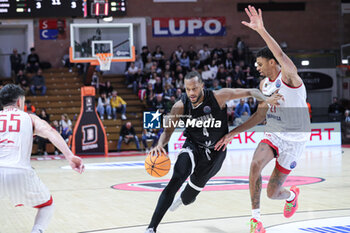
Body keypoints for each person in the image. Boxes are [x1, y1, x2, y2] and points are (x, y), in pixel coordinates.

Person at [144, 71, 281, 233]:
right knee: (176, 178)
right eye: (188, 90)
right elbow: (167, 132)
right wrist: (160, 144)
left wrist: (266, 100)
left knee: (188, 198)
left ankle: (183, 198)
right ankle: (151, 227)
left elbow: (253, 91)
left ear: (202, 85)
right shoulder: (180, 106)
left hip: (216, 152)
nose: (191, 93)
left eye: (194, 88)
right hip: (193, 146)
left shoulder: (219, 97)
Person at [214, 6, 311, 233]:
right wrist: (232, 133)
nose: (256, 68)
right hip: (274, 133)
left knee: (273, 193)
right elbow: (260, 115)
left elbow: (281, 55)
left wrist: (261, 30)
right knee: (255, 165)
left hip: (296, 140)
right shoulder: (264, 86)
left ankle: (291, 195)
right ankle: (255, 221)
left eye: (260, 63)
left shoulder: (290, 77)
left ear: (272, 63)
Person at [0, 84, 84, 233]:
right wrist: (69, 156)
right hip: (20, 172)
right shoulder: (29, 118)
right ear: (20, 102)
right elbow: (49, 131)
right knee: (47, 205)